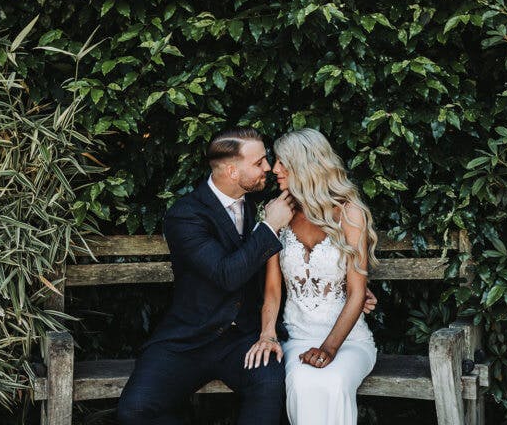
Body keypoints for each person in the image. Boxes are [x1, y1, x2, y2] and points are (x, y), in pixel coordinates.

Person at [117, 127, 295, 425]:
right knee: (135, 410)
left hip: (243, 339)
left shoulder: (259, 206)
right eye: (259, 162)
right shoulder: (186, 215)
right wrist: (269, 228)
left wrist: (350, 287)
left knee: (269, 383)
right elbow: (226, 275)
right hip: (189, 338)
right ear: (232, 171)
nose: (268, 168)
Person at [244, 128, 379, 425]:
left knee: (333, 382)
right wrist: (268, 334)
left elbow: (357, 293)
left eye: (282, 162)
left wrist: (329, 349)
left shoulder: (349, 213)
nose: (275, 169)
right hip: (299, 338)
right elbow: (273, 289)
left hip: (349, 341)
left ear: (305, 165)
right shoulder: (278, 213)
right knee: (303, 384)